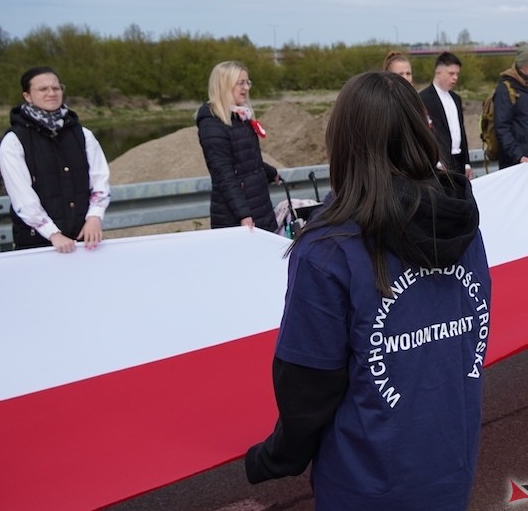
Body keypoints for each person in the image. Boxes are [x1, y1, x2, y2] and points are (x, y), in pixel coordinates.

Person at [245, 71, 490, 510]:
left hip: (367, 482)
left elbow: (307, 387)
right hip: (452, 464)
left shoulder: (328, 249)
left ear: (342, 143)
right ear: (420, 133)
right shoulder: (462, 223)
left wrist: (273, 458)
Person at [0, 66, 110, 252]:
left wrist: (94, 217)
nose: (51, 93)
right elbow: (22, 196)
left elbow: (100, 180)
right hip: (37, 243)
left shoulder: (82, 134)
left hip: (85, 238)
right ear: (27, 96)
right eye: (43, 89)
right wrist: (52, 233)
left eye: (56, 88)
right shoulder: (14, 141)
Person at [196, 61, 279, 232]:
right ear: (224, 85)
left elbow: (247, 160)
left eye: (247, 82)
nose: (246, 88)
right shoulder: (212, 125)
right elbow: (224, 174)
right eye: (240, 83)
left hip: (259, 207)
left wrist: (271, 172)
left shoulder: (240, 118)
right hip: (235, 217)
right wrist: (244, 215)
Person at [419, 51, 472, 178]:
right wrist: (435, 160)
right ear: (438, 72)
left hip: (459, 161)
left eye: (457, 74)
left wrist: (467, 163)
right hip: (438, 163)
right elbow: (423, 133)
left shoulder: (456, 98)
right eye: (451, 73)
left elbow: (461, 131)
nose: (455, 78)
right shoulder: (423, 98)